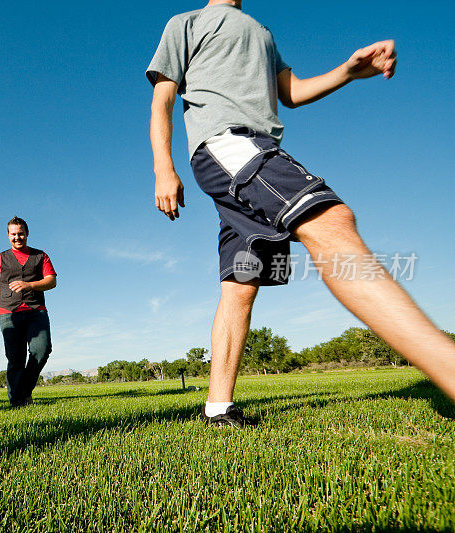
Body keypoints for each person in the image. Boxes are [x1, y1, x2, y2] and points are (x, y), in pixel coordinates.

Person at [147, 0, 455, 426]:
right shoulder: (185, 23)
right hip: (226, 144)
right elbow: (162, 98)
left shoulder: (263, 34)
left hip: (257, 146)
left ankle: (218, 408)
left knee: (242, 282)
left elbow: (290, 93)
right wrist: (164, 167)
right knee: (332, 219)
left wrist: (348, 71)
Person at [0, 216, 57, 407]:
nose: (17, 237)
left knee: (42, 350)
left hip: (36, 310)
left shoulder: (41, 256)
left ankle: (23, 391)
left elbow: (51, 281)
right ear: (8, 235)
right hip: (8, 312)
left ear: (27, 234)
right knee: (16, 358)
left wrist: (29, 285)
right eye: (13, 234)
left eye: (20, 233)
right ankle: (16, 401)